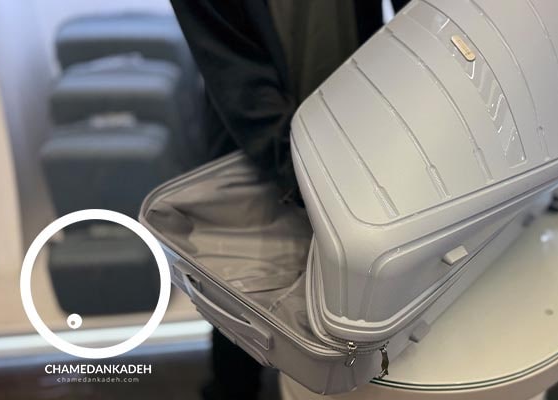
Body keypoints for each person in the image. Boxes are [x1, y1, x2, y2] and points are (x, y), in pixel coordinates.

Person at [169, 0, 410, 398]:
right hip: (258, 144)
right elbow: (236, 77)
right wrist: (308, 179)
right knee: (245, 293)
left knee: (348, 295)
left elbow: (420, 15)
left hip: (354, 123)